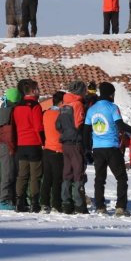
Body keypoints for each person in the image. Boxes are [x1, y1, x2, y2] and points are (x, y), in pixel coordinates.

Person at [84, 82, 131, 217]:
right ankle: (120, 207)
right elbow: (121, 126)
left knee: (99, 179)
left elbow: (86, 132)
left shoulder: (91, 109)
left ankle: (100, 206)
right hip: (112, 148)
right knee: (121, 178)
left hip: (98, 149)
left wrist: (87, 149)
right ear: (111, 94)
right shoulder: (113, 108)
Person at [13, 79, 44, 212]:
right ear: (32, 91)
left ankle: (20, 201)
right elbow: (38, 127)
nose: (39, 91)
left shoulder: (17, 106)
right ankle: (35, 202)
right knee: (35, 175)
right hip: (34, 144)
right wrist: (44, 142)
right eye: (37, 89)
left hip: (21, 144)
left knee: (22, 174)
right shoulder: (35, 106)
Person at [56, 86, 88, 215]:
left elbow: (57, 125)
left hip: (65, 142)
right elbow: (78, 123)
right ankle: (79, 204)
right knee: (78, 172)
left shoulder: (64, 106)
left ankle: (66, 203)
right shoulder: (78, 104)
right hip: (75, 142)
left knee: (67, 172)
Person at [0, 87, 21, 210]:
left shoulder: (4, 108)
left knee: (11, 172)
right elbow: (7, 133)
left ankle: (10, 199)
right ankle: (4, 201)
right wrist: (11, 147)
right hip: (7, 145)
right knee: (8, 173)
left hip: (4, 145)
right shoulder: (9, 111)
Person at [40, 91, 65, 214]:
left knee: (47, 179)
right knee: (57, 179)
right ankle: (56, 204)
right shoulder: (61, 114)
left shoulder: (46, 113)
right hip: (58, 149)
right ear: (61, 102)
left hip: (47, 149)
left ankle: (44, 203)